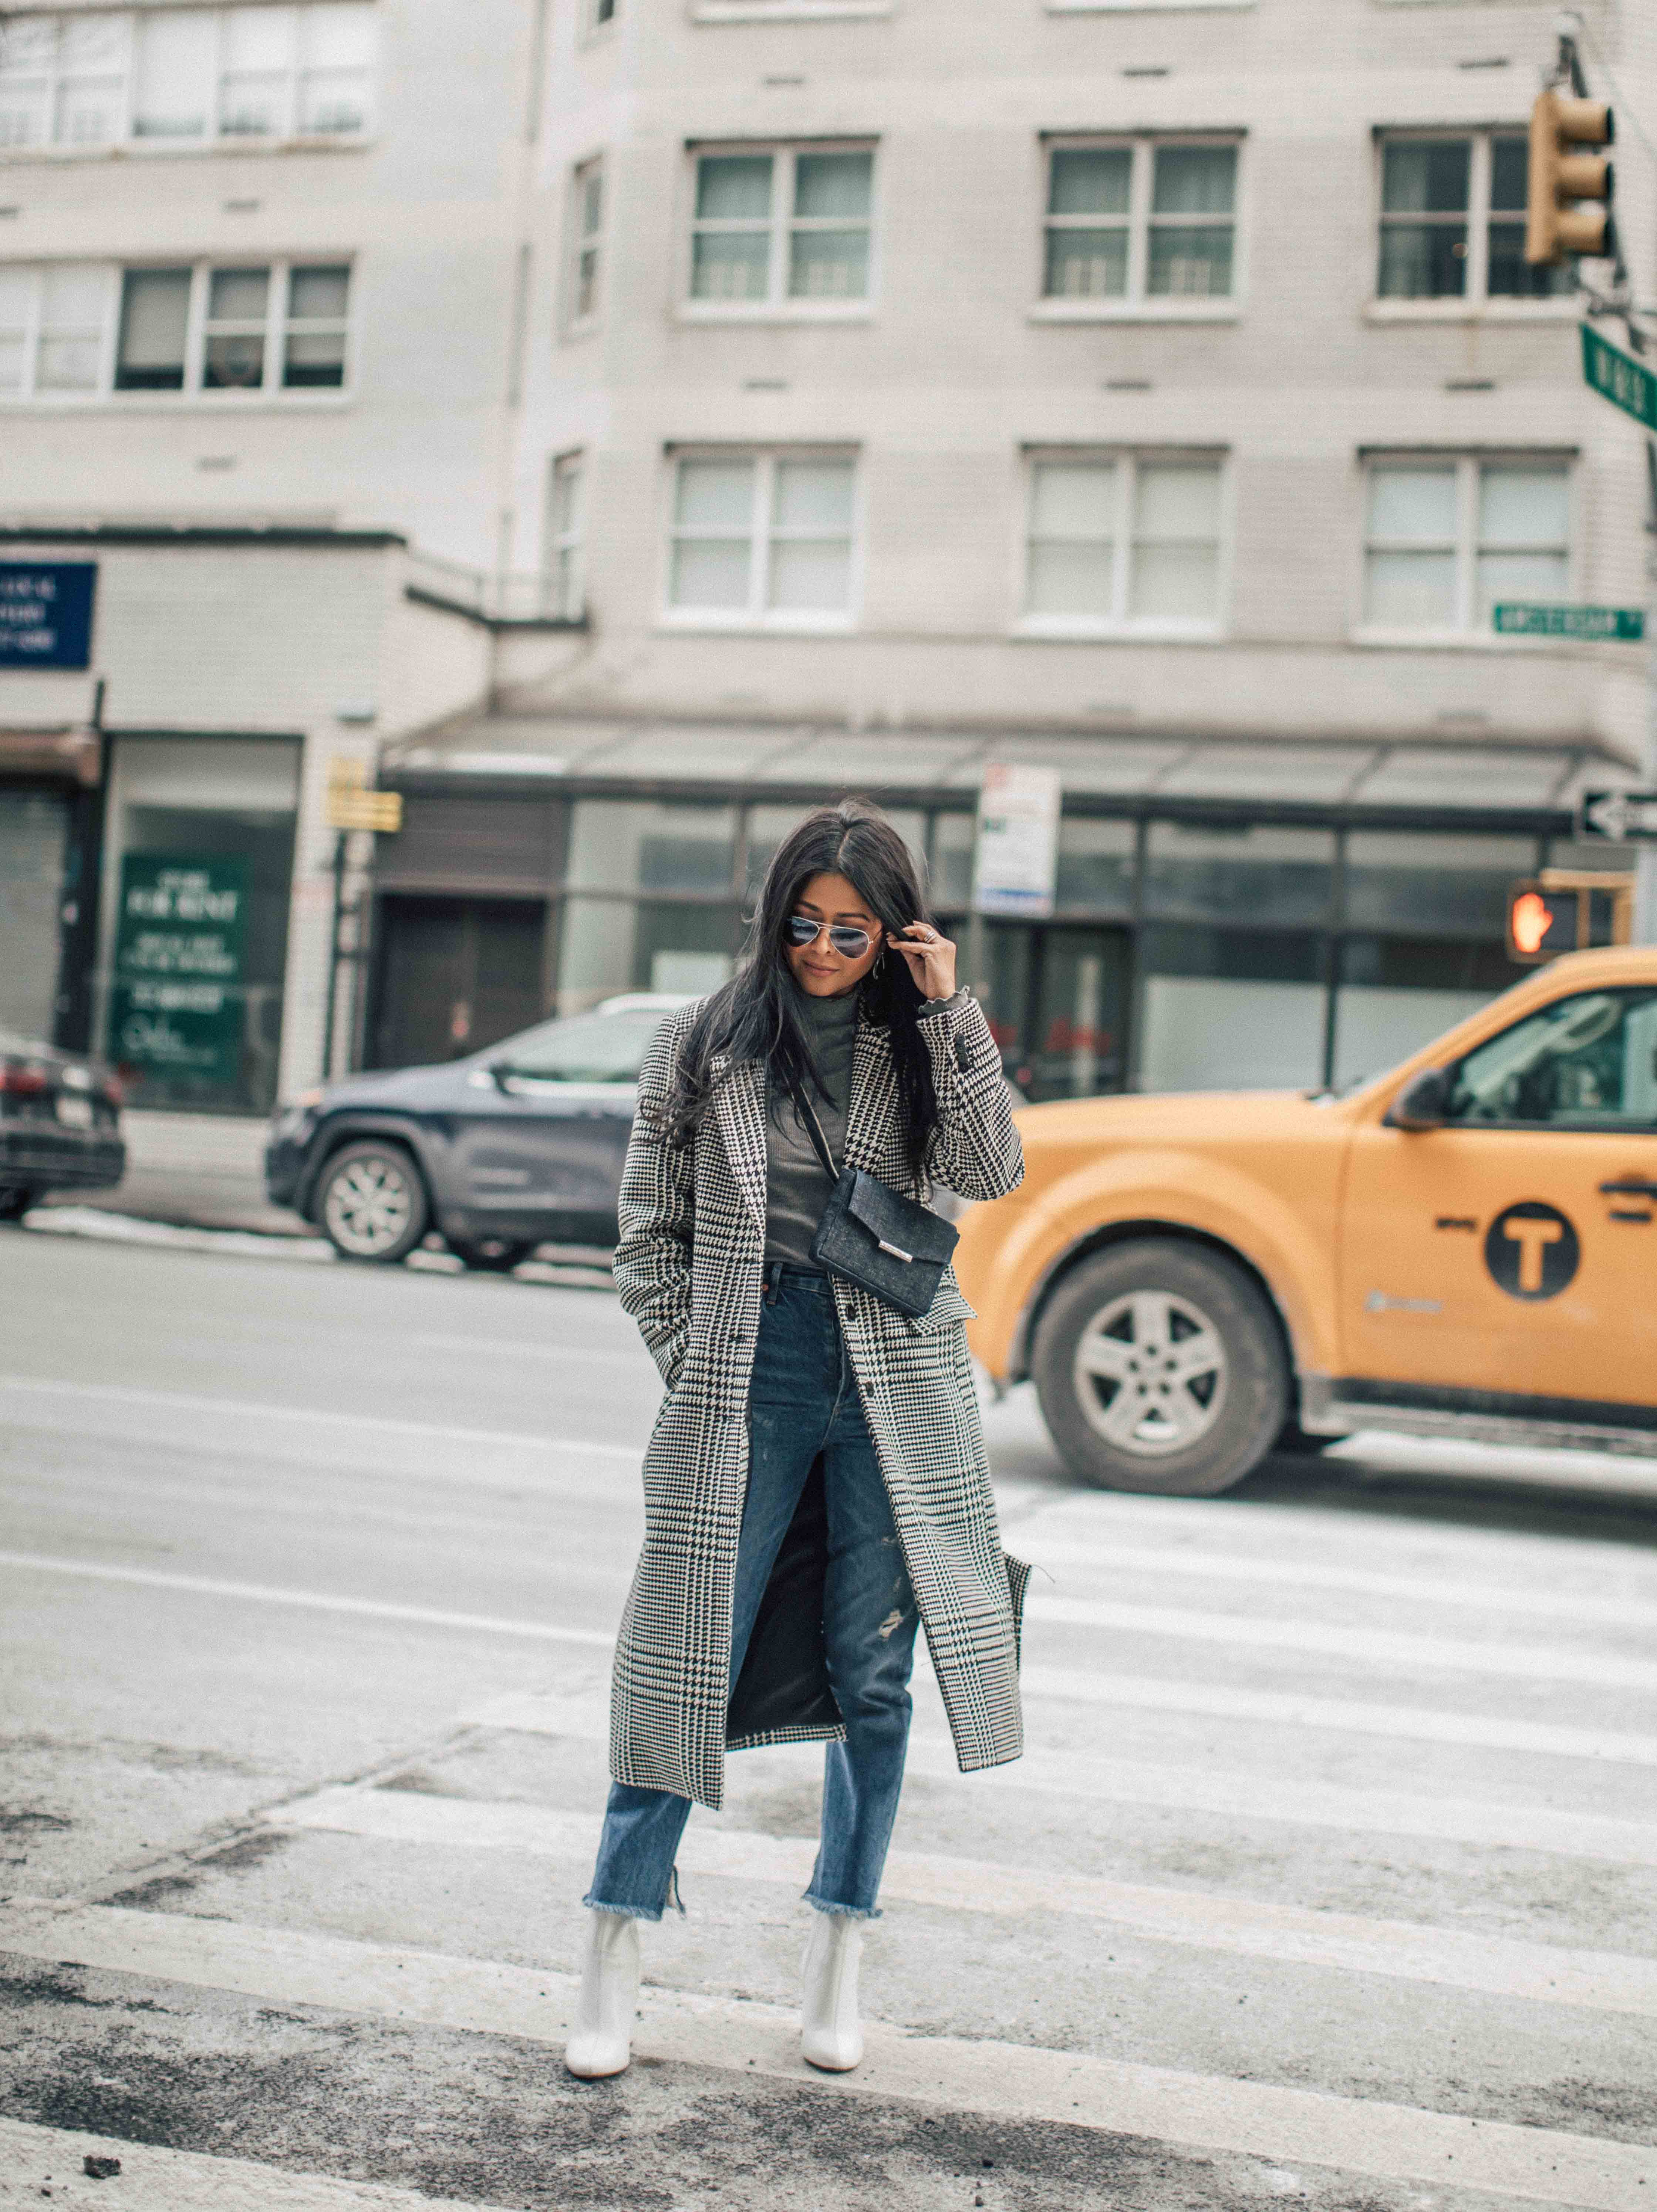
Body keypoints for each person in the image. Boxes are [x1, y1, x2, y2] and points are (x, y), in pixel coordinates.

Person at [565, 798, 1029, 2080]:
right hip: (751, 1371)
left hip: (897, 1379)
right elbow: (646, 1233)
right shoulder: (701, 1044)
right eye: (806, 926)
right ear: (772, 919)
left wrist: (949, 1010)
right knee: (682, 1660)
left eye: (855, 934)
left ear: (894, 936)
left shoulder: (918, 1044)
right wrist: (698, 1358)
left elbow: (992, 1173)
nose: (824, 952)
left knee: (871, 1677)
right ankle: (613, 1944)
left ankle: (841, 1944)